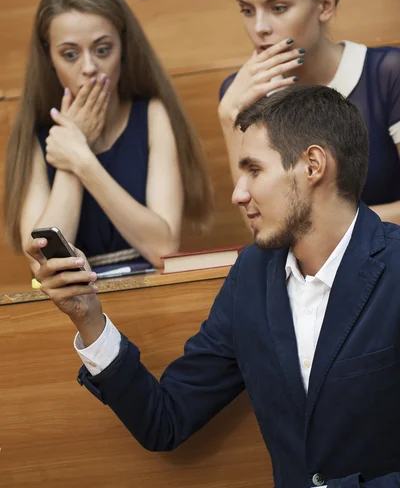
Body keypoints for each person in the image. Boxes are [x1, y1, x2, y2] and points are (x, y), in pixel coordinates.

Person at [28, 85, 400, 487]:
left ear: (312, 165)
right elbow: (165, 421)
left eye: (254, 170)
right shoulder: (250, 278)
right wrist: (89, 318)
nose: (238, 194)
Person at [5, 0, 212, 271]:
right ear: (50, 59)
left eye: (102, 50)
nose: (89, 67)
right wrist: (71, 153)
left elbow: (163, 248)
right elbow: (43, 263)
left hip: (152, 292)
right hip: (73, 299)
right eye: (70, 54)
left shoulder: (153, 115)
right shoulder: (35, 136)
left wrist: (81, 159)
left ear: (123, 50)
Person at [218, 0, 400, 224]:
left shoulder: (387, 73)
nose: (260, 27)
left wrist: (319, 224)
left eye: (278, 8)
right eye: (247, 10)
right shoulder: (239, 93)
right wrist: (230, 119)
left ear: (325, 5)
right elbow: (259, 227)